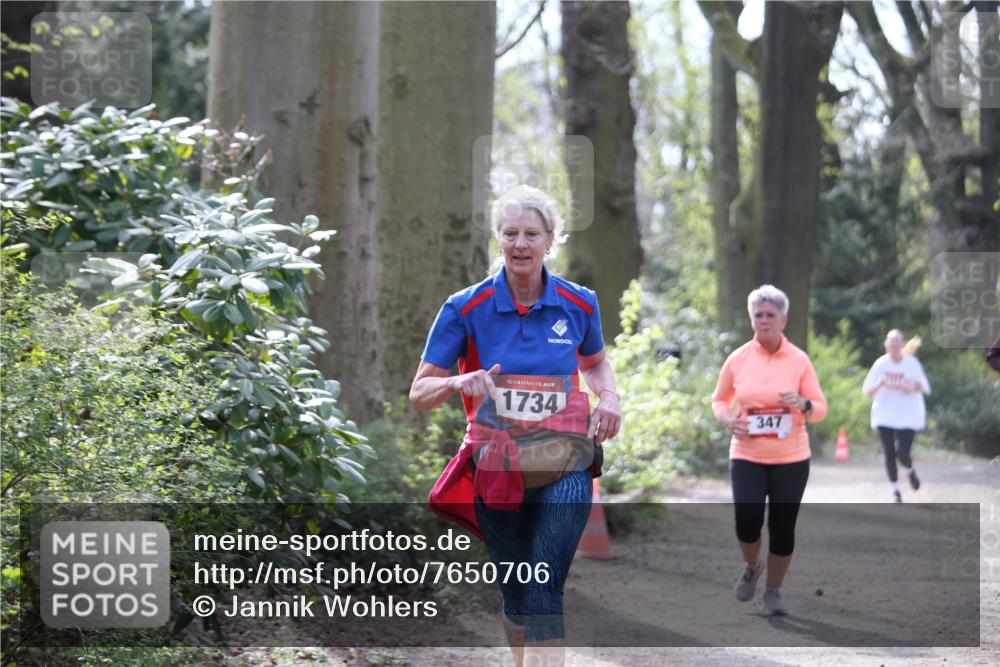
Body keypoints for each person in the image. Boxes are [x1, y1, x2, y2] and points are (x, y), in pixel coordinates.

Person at [410, 187, 620, 667]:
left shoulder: (579, 303)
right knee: (515, 591)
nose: (520, 244)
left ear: (550, 239)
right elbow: (419, 393)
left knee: (544, 585)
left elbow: (597, 364)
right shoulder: (465, 307)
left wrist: (609, 397)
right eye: (510, 234)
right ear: (498, 240)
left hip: (565, 460)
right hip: (496, 467)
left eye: (531, 233)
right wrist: (461, 379)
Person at [711, 285, 828, 616]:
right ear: (751, 319)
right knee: (746, 521)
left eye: (770, 315)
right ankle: (752, 566)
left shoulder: (799, 361)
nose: (763, 320)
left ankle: (774, 591)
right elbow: (719, 399)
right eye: (758, 315)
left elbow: (820, 408)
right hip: (747, 453)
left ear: (784, 319)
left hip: (791, 458)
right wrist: (727, 419)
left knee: (782, 527)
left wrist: (803, 404)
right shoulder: (738, 359)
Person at [862, 330, 931, 503]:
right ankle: (896, 491)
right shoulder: (880, 364)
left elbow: (925, 387)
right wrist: (880, 384)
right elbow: (867, 391)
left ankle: (909, 470)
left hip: (908, 415)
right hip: (885, 415)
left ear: (902, 344)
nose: (893, 345)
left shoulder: (912, 363)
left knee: (903, 453)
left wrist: (911, 387)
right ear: (886, 344)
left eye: (897, 341)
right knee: (889, 452)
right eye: (890, 341)